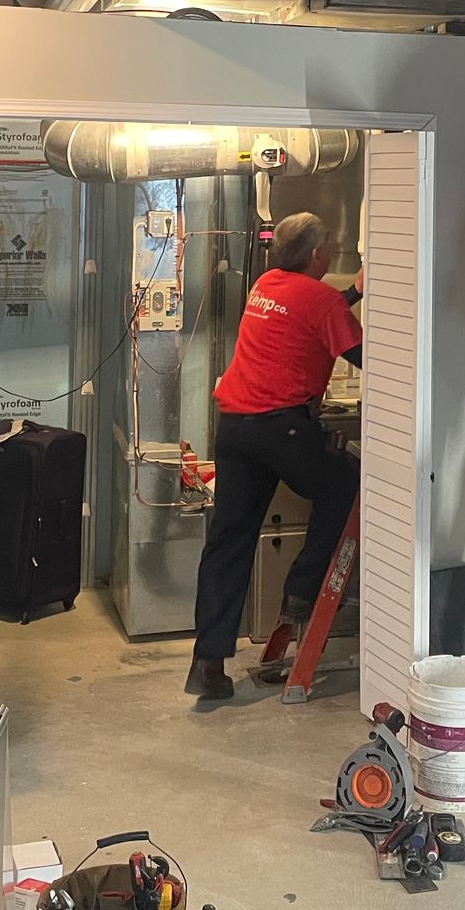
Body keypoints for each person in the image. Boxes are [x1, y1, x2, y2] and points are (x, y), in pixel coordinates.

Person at [187, 211, 364, 700]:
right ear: (314, 255)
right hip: (282, 428)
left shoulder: (267, 284)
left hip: (235, 430)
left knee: (228, 541)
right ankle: (302, 593)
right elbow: (367, 354)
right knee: (344, 484)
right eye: (328, 244)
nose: (330, 251)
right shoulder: (322, 300)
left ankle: (209, 662)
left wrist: (353, 294)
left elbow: (311, 314)